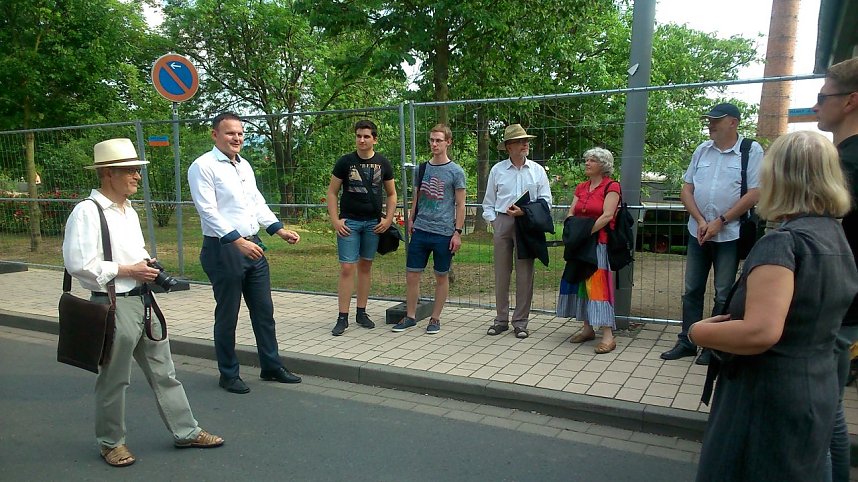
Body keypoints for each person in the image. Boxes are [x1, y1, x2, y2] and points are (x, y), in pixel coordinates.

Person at [691, 131, 858, 481]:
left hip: (765, 397)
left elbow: (761, 331)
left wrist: (699, 331)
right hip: (815, 385)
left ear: (778, 178)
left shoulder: (783, 243)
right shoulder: (835, 236)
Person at [63, 138, 223, 467]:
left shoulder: (128, 211)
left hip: (143, 302)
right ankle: (111, 443)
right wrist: (127, 269)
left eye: (138, 170)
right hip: (113, 305)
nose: (137, 176)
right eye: (131, 170)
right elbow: (78, 264)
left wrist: (145, 264)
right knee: (114, 379)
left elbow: (130, 255)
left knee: (166, 372)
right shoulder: (87, 212)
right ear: (108, 173)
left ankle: (186, 431)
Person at [188, 112, 302, 394]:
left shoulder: (244, 166)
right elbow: (207, 210)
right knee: (228, 315)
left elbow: (256, 203)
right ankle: (228, 373)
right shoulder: (203, 166)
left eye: (240, 133)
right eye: (230, 133)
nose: (237, 138)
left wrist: (278, 229)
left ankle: (271, 366)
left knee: (264, 311)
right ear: (215, 135)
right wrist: (237, 241)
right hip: (224, 249)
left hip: (253, 246)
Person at [661, 103, 763, 365]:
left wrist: (720, 221)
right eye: (709, 119)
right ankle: (688, 340)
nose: (710, 124)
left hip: (730, 233)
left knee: (723, 291)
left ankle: (714, 345)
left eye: (717, 120)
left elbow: (755, 193)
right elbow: (687, 189)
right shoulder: (702, 150)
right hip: (698, 232)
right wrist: (700, 220)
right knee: (692, 288)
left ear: (734, 122)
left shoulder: (750, 150)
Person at [813, 57, 858, 482]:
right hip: (845, 299)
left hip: (839, 301)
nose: (816, 106)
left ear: (850, 101)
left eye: (823, 96)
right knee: (830, 414)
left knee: (822, 416)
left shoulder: (849, 163)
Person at [391, 124, 466, 334]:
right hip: (421, 230)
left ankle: (435, 318)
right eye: (432, 140)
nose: (434, 144)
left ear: (448, 142)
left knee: (441, 276)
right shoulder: (421, 168)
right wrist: (411, 217)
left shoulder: (456, 172)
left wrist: (457, 232)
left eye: (439, 140)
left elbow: (460, 204)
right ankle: (411, 316)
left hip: (444, 232)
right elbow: (417, 196)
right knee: (412, 274)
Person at [326, 119, 397, 336]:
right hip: (350, 222)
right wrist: (335, 220)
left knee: (366, 266)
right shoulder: (345, 162)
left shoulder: (383, 163)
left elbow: (392, 194)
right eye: (358, 136)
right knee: (347, 267)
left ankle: (361, 312)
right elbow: (332, 192)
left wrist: (388, 219)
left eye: (366, 136)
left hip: (373, 224)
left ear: (374, 139)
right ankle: (342, 316)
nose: (362, 140)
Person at [481, 124, 553, 339]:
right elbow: (488, 202)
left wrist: (525, 212)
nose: (525, 144)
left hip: (526, 226)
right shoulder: (497, 170)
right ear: (509, 146)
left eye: (526, 141)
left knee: (525, 275)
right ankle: (500, 320)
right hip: (503, 223)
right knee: (502, 274)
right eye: (520, 141)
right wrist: (495, 222)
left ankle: (521, 322)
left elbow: (546, 201)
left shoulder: (538, 170)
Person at [558, 148, 620, 354]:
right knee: (581, 283)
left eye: (592, 160)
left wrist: (583, 232)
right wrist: (575, 231)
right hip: (580, 244)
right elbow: (571, 212)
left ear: (603, 165)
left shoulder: (612, 186)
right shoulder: (581, 187)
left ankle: (608, 335)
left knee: (598, 286)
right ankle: (587, 328)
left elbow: (607, 215)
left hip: (598, 244)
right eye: (586, 159)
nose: (587, 163)